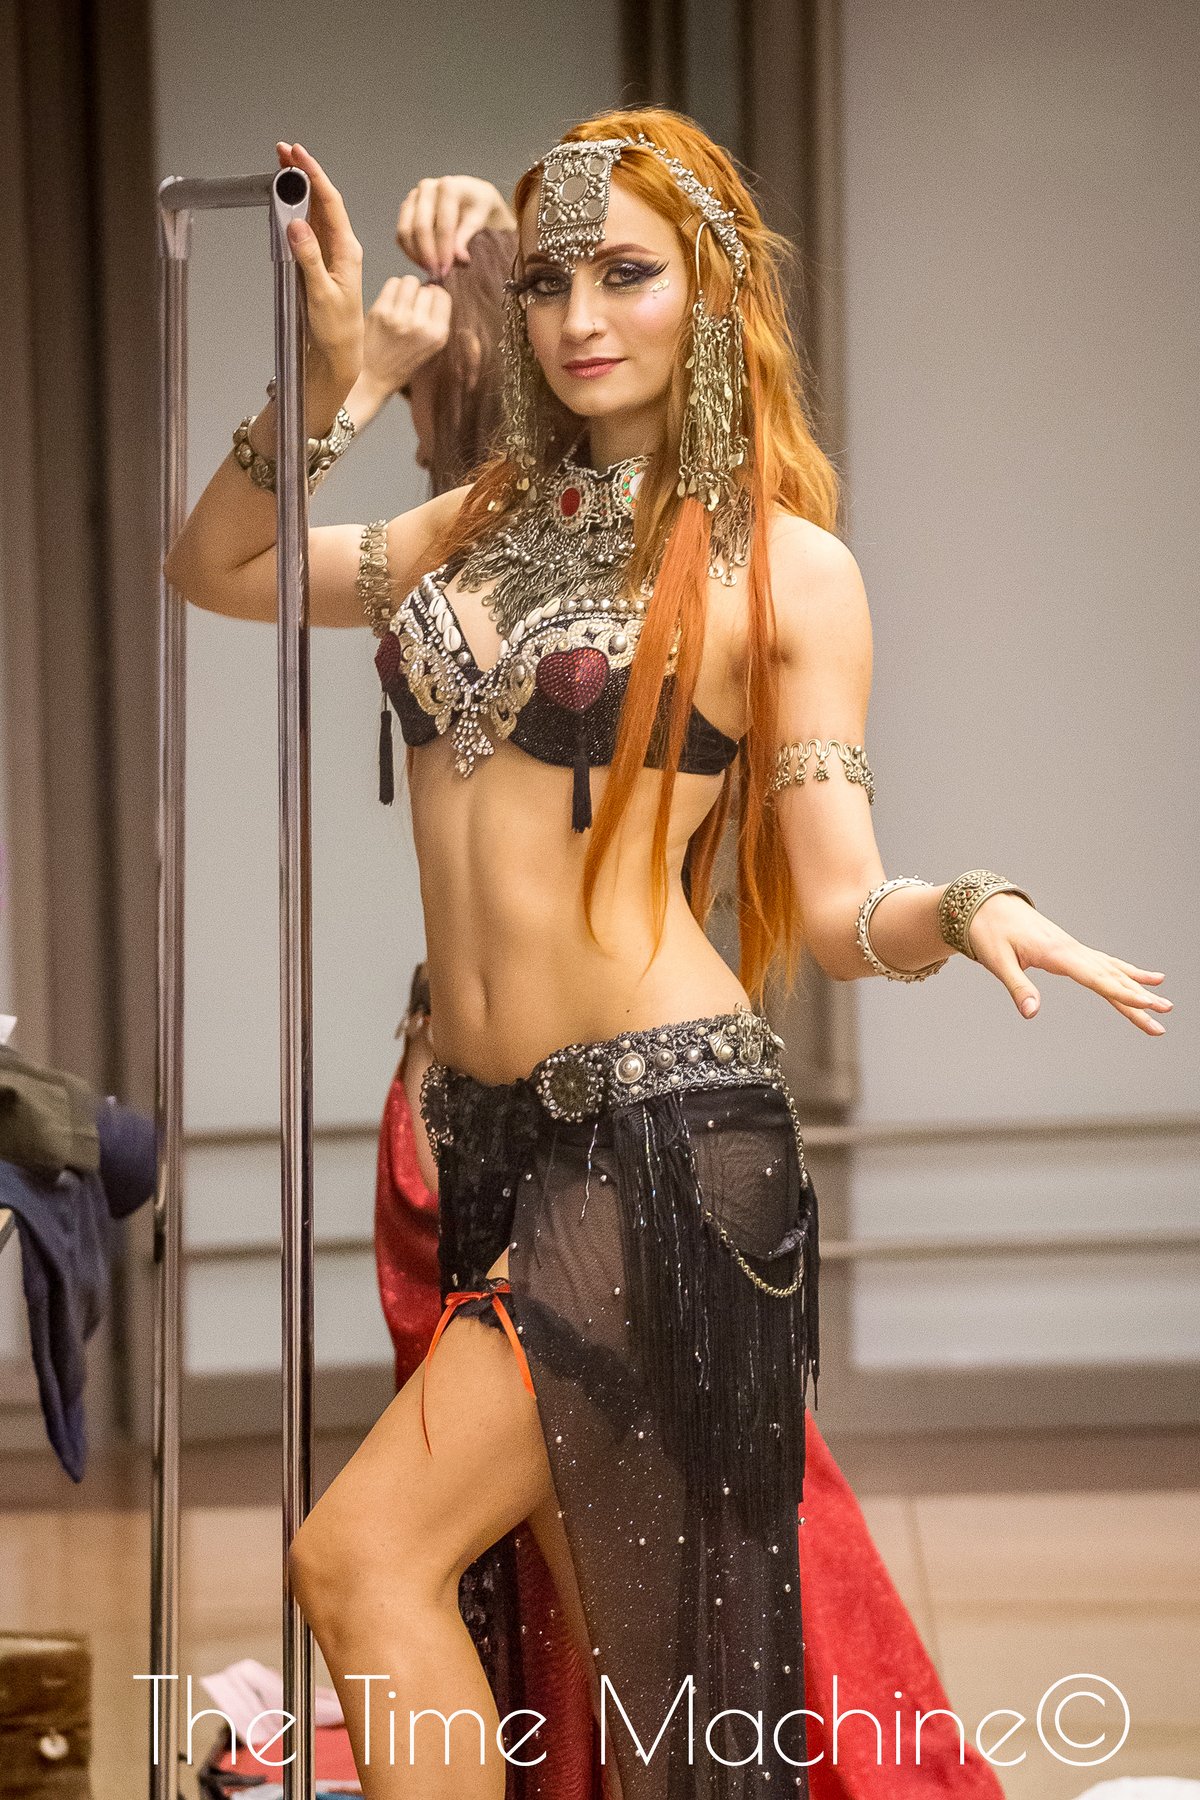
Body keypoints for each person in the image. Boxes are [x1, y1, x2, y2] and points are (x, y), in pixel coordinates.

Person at [163, 107, 1171, 1800]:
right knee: (618, 1672)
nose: (579, 316)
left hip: (660, 1143)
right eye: (549, 280)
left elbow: (839, 907)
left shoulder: (785, 568)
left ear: (709, 292)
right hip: (486, 1141)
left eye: (626, 274)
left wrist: (965, 909)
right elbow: (218, 564)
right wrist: (335, 379)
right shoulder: (476, 519)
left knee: (360, 1561)